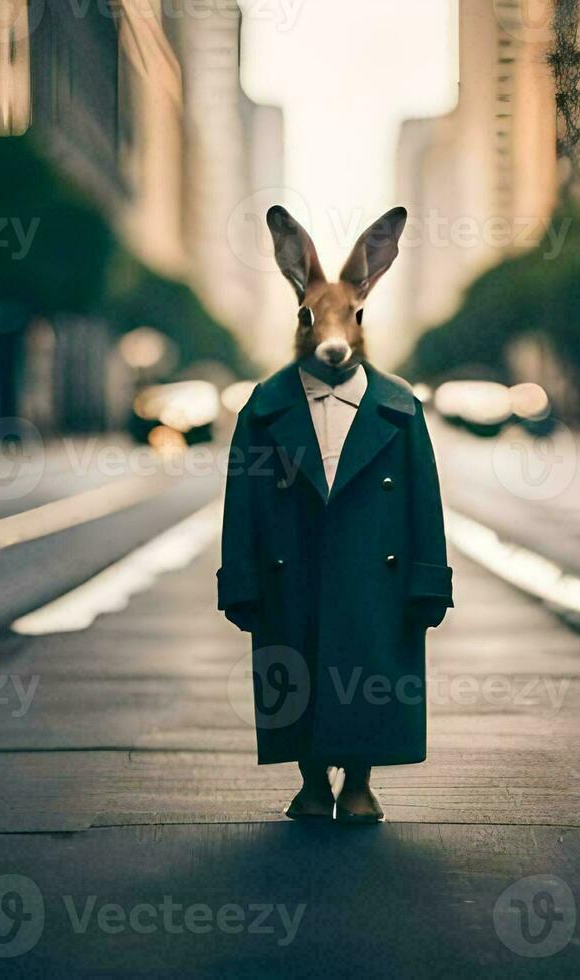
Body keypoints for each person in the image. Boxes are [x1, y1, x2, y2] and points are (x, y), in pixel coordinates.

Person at [219, 206, 452, 824]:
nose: (332, 332)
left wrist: (429, 581)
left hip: (375, 574)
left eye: (347, 316)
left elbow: (423, 504)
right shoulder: (262, 410)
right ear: (301, 312)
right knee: (294, 667)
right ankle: (310, 782)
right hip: (288, 571)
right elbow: (240, 505)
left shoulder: (400, 409)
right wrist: (239, 581)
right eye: (316, 316)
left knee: (367, 667)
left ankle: (359, 782)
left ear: (362, 313)